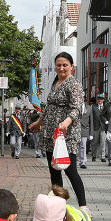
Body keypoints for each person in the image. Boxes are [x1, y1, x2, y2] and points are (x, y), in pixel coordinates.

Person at [29, 52, 88, 211]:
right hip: (50, 134)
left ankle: (83, 206)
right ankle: (59, 205)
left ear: (71, 67)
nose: (61, 68)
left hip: (66, 135)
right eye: (58, 65)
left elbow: (76, 109)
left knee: (70, 170)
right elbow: (49, 108)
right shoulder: (55, 82)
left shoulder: (73, 84)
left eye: (65, 65)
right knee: (54, 171)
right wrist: (38, 122)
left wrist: (66, 122)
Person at [78, 100, 93, 169]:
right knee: (74, 146)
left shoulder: (89, 108)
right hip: (76, 129)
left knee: (83, 146)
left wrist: (91, 133)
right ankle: (73, 161)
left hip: (85, 130)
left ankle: (83, 162)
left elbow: (91, 121)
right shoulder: (75, 106)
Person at [90, 95, 105, 162]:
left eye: (101, 99)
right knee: (95, 142)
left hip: (103, 127)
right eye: (98, 99)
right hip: (96, 126)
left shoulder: (105, 106)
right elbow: (91, 117)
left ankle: (103, 156)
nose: (100, 101)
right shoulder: (93, 106)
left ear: (103, 100)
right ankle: (94, 155)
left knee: (103, 142)